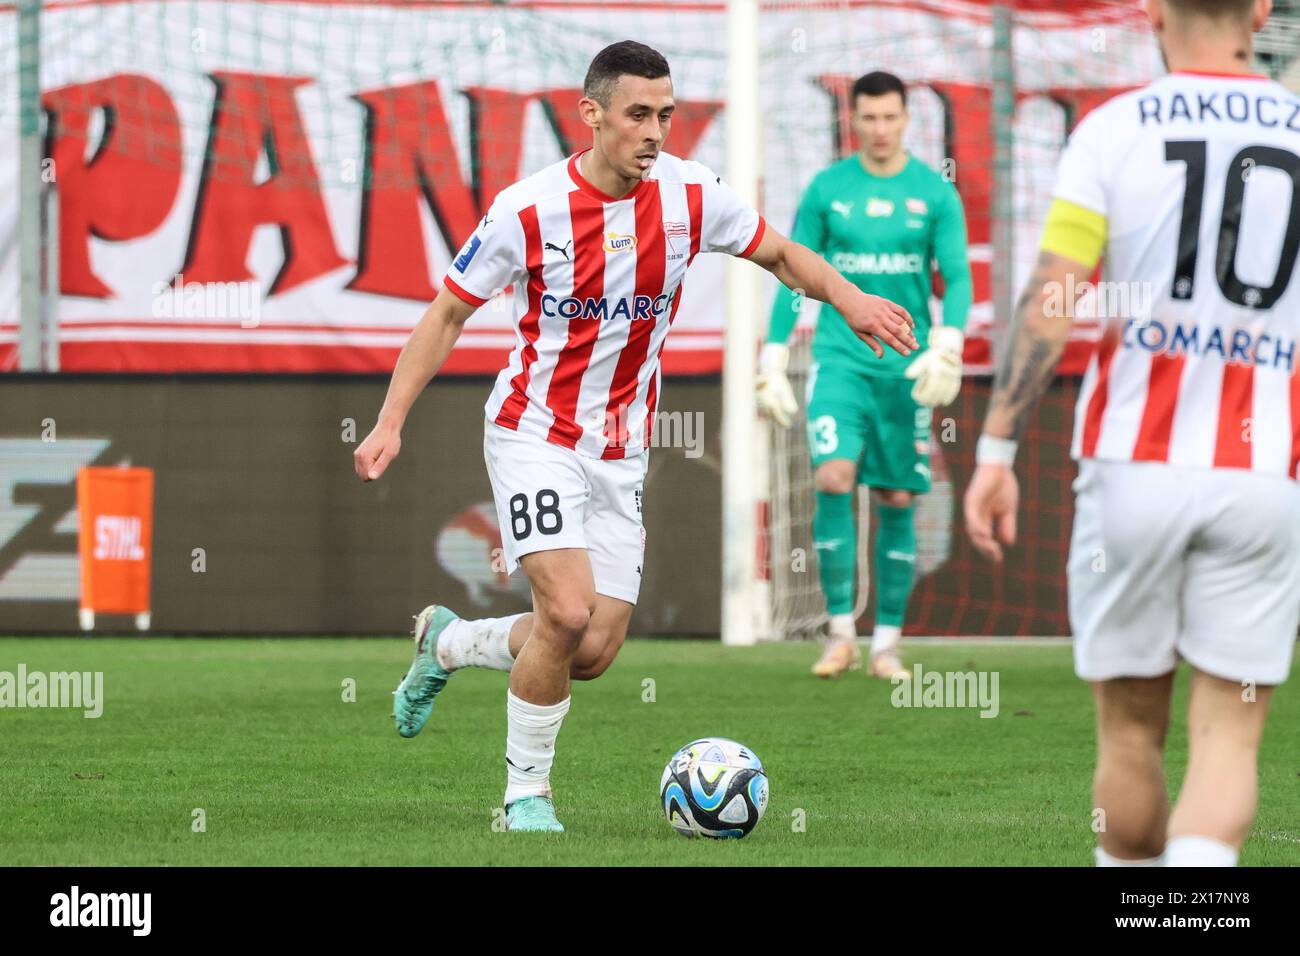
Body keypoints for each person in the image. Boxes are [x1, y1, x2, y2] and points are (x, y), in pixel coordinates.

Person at [354, 40, 916, 832]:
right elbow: (446, 313)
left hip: (621, 448)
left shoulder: (692, 196)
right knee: (569, 611)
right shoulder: (526, 209)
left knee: (590, 651)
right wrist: (388, 422)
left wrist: (849, 298)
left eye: (666, 114)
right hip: (534, 433)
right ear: (591, 114)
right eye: (637, 115)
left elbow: (784, 254)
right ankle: (524, 799)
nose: (655, 131)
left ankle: (450, 644)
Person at [964, 0, 1299, 866]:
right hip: (1265, 471)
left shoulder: (1115, 129)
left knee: (1129, 735)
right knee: (1228, 738)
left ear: (1152, 5)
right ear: (1262, 8)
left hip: (1131, 468)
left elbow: (1054, 296)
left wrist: (996, 450)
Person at [757, 71, 971, 679]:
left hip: (909, 367)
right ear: (854, 121)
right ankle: (841, 634)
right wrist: (773, 354)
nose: (879, 129)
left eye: (890, 118)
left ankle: (887, 645)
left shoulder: (934, 194)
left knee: (898, 494)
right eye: (869, 118)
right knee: (832, 476)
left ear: (907, 120)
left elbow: (955, 277)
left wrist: (947, 345)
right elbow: (792, 272)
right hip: (842, 361)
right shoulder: (828, 189)